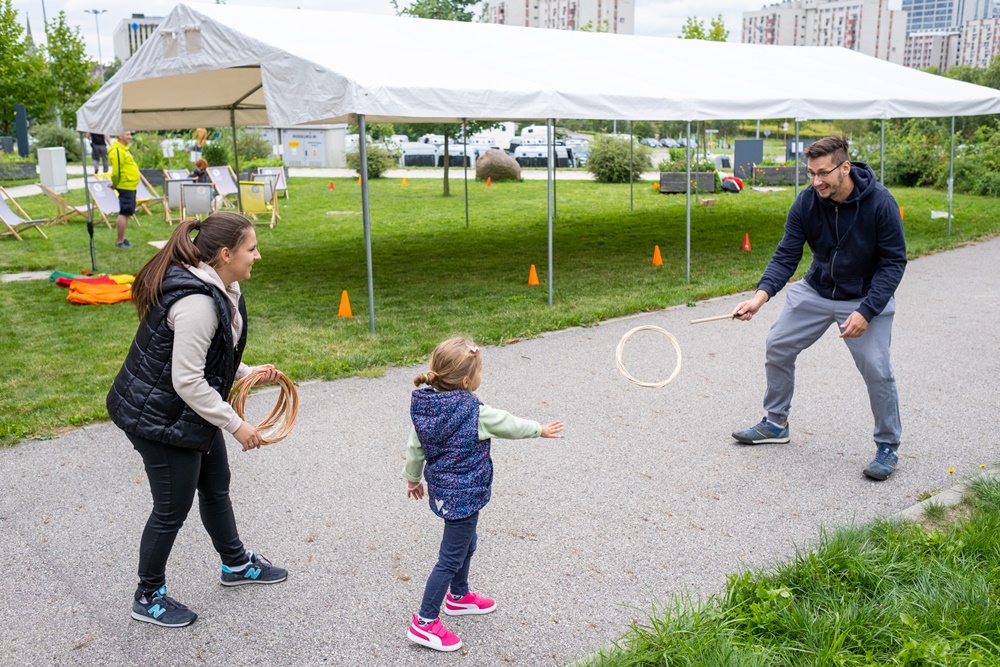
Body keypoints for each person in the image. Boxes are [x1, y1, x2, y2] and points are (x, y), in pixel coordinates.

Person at [106, 211, 288, 628]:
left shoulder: (221, 287)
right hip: (158, 417)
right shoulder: (197, 303)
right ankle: (147, 595)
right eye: (251, 248)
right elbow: (187, 380)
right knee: (171, 508)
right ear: (225, 254)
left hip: (185, 409)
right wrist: (236, 424)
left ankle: (235, 564)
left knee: (215, 485)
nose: (257, 256)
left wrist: (247, 372)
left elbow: (212, 355)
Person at [731, 135, 907, 481]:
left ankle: (887, 446)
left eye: (823, 173)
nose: (816, 181)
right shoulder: (807, 202)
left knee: (877, 367)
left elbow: (893, 263)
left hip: (864, 297)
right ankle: (775, 423)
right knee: (778, 344)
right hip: (817, 288)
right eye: (811, 173)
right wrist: (759, 298)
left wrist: (867, 311)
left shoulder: (881, 203)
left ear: (845, 167)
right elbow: (787, 254)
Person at [402, 337, 564, 652]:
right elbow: (508, 424)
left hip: (445, 491)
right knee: (449, 559)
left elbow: (414, 447)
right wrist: (539, 429)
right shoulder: (473, 412)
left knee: (467, 544)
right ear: (466, 382)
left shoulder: (427, 409)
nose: (480, 377)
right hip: (463, 495)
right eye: (479, 372)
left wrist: (412, 479)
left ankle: (459, 596)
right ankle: (425, 622)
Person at [108, 131, 138, 249]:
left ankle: (122, 239)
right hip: (125, 185)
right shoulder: (117, 151)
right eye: (127, 134)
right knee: (124, 212)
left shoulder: (122, 149)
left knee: (127, 212)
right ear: (120, 136)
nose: (130, 137)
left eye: (130, 134)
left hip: (129, 185)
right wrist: (115, 184)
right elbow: (116, 172)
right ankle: (120, 241)